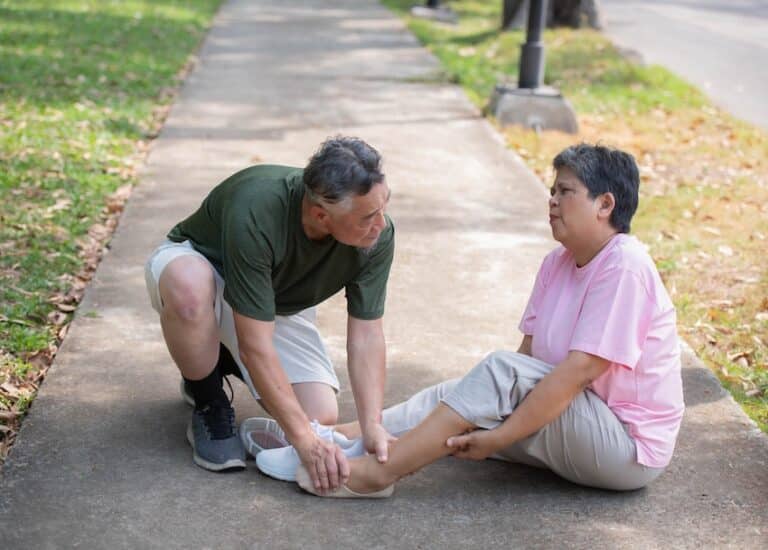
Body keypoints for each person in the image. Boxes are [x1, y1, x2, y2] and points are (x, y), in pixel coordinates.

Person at [289, 143, 685, 497]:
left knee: (495, 376)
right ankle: (335, 440)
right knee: (454, 394)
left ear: (605, 205)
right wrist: (479, 414)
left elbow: (578, 371)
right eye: (552, 191)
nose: (551, 201)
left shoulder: (625, 266)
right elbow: (528, 362)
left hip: (625, 447)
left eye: (565, 192)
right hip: (574, 422)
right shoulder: (557, 264)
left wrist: (498, 437)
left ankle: (379, 474)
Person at [144, 136, 395, 490]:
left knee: (317, 415)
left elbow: (367, 335)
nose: (381, 224)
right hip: (204, 272)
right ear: (321, 215)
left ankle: (215, 355)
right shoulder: (257, 208)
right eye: (368, 216)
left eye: (383, 207)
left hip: (273, 302)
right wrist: (304, 442)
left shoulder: (377, 237)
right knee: (190, 290)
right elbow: (255, 345)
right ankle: (207, 397)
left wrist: (372, 423)